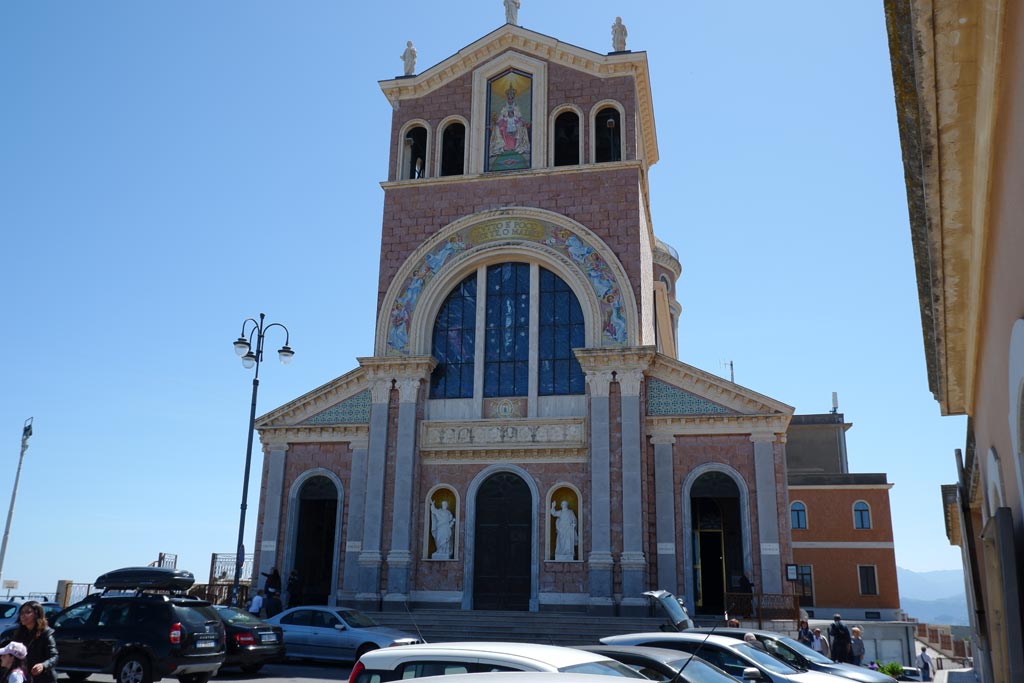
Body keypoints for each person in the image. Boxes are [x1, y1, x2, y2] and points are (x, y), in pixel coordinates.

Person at [11, 602, 57, 683]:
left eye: (28, 612)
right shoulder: (19, 633)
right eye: (21, 613)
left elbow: (54, 656)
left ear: (37, 614)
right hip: (25, 676)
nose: (23, 615)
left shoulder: (46, 633)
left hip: (44, 678)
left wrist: (43, 665)